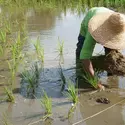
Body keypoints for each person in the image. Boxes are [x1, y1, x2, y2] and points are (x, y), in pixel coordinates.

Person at [76, 7, 125, 89]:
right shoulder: (93, 30)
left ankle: (111, 74)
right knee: (80, 53)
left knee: (112, 55)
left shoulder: (119, 24)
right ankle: (81, 73)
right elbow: (84, 57)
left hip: (111, 19)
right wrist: (95, 82)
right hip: (90, 20)